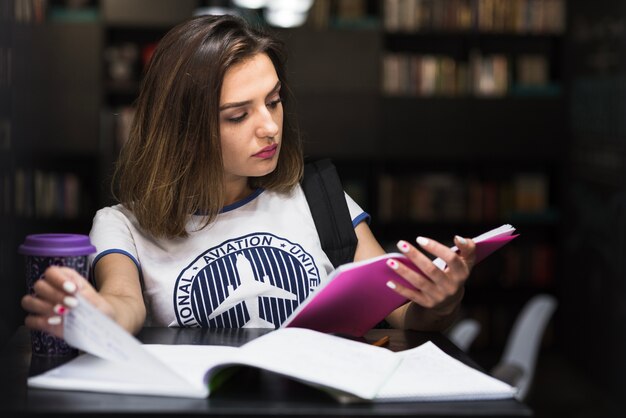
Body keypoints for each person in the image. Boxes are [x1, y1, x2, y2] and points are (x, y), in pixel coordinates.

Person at [21, 14, 476, 338]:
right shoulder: (122, 224)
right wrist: (97, 312)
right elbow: (124, 302)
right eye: (238, 115)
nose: (271, 127)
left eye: (273, 101)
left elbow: (402, 314)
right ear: (182, 130)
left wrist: (440, 301)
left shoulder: (320, 197)